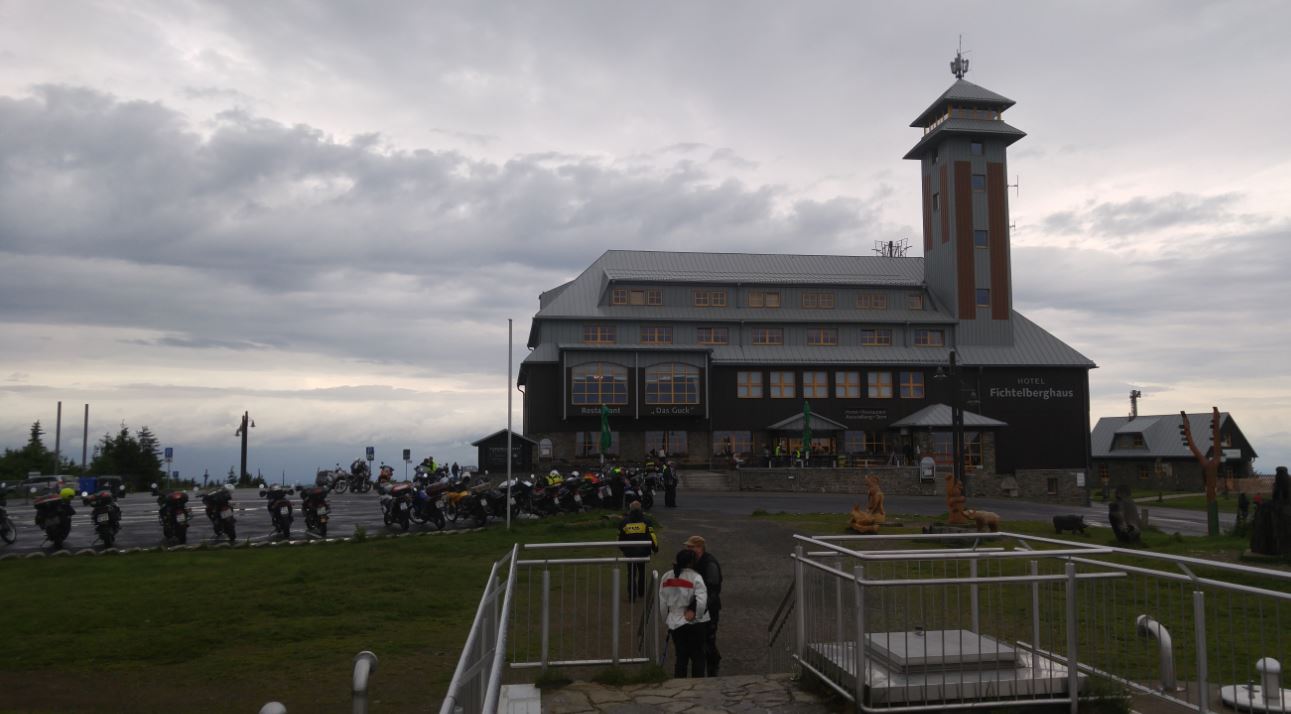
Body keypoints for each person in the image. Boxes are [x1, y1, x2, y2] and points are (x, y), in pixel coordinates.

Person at [659, 548, 708, 678]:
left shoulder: (666, 576)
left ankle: (679, 682)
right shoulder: (696, 577)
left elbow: (662, 603)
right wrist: (697, 616)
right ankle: (698, 683)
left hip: (675, 622)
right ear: (691, 562)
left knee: (681, 656)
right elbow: (701, 602)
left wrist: (666, 619)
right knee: (698, 657)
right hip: (693, 623)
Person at [685, 535, 722, 676]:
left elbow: (713, 590)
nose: (688, 549)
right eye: (687, 547)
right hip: (698, 606)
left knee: (709, 639)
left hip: (709, 608)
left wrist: (701, 608)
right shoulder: (694, 562)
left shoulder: (710, 564)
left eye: (691, 547)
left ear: (699, 548)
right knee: (700, 640)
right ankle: (709, 665)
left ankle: (713, 665)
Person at [617, 500, 658, 601]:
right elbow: (653, 536)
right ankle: (641, 592)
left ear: (630, 509)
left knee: (631, 574)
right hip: (643, 551)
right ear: (640, 509)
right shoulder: (647, 521)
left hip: (629, 552)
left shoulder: (624, 522)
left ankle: (632, 596)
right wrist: (655, 548)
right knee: (642, 571)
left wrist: (623, 548)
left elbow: (620, 537)